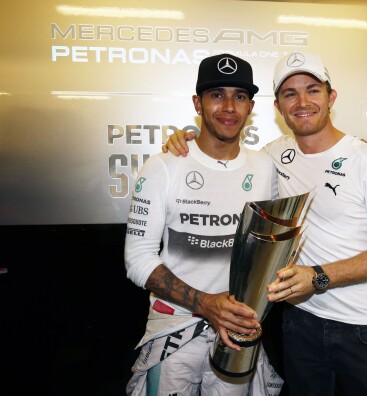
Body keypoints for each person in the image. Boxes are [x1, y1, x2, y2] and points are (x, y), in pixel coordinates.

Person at [163, 51, 367, 396]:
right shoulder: (271, 156)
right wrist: (184, 143)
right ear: (278, 107)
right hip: (297, 324)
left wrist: (319, 276)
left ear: (331, 96)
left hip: (360, 326)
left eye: (312, 89)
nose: (302, 102)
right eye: (290, 94)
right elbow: (225, 157)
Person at [124, 53, 284, 396]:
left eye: (239, 96)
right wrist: (205, 303)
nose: (229, 106)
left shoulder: (265, 167)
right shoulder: (163, 166)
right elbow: (137, 258)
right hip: (174, 328)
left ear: (250, 106)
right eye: (217, 95)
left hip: (238, 332)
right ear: (198, 102)